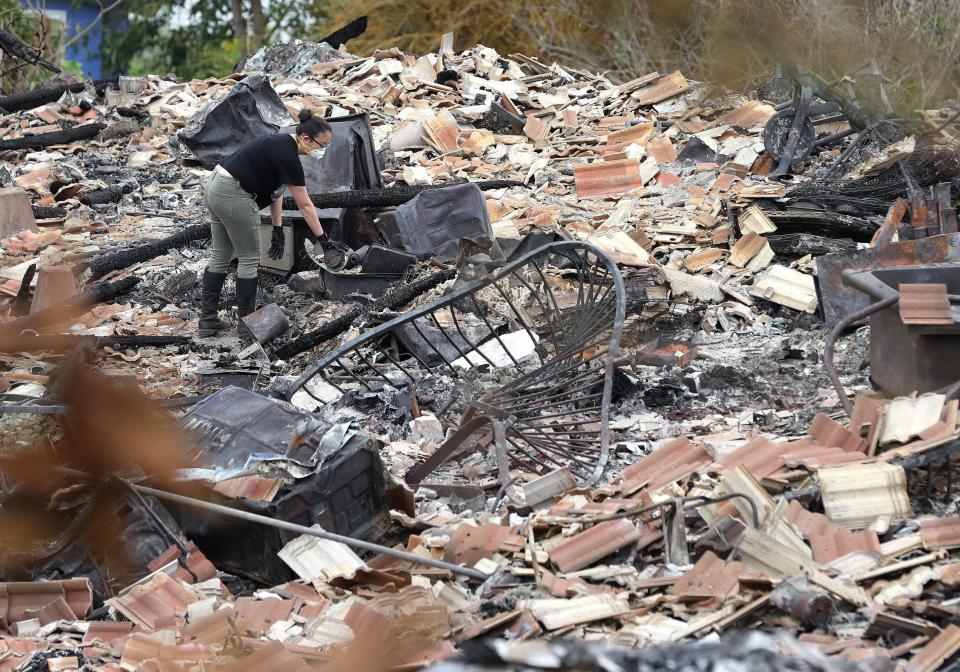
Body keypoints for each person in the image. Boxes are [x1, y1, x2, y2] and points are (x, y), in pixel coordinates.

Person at [198, 108, 349, 336]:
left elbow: (276, 192)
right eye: (323, 145)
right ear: (306, 138)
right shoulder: (289, 156)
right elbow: (305, 205)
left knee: (221, 255)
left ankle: (207, 321)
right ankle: (246, 324)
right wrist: (324, 240)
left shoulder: (280, 144)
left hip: (216, 185)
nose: (324, 150)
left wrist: (277, 228)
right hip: (233, 193)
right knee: (249, 257)